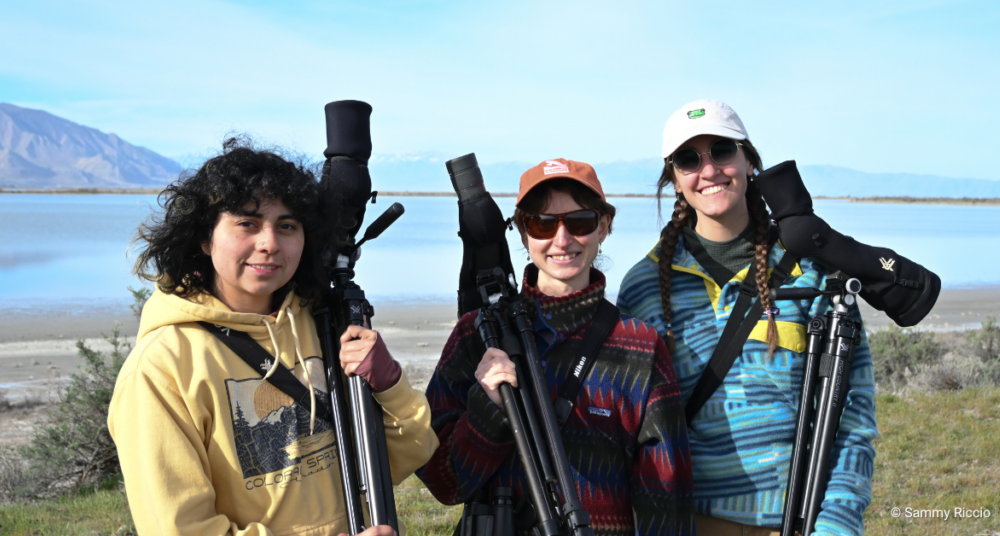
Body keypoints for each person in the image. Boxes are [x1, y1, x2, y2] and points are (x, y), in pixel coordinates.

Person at [108, 138, 438, 536]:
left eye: (287, 226)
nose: (269, 243)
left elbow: (408, 456)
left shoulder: (322, 325)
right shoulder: (162, 367)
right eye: (247, 223)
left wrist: (390, 384)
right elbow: (181, 529)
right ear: (205, 237)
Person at [616, 100, 877, 536]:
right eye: (688, 159)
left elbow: (853, 416)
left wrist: (837, 525)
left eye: (722, 150)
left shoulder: (810, 273)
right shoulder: (642, 287)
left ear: (750, 161)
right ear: (675, 180)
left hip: (798, 520)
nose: (709, 169)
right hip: (688, 524)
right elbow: (629, 428)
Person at [416, 158, 696, 535]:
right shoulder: (477, 335)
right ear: (521, 232)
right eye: (542, 224)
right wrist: (487, 410)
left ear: (604, 227)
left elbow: (667, 499)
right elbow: (444, 484)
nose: (561, 240)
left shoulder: (640, 347)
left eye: (580, 222)